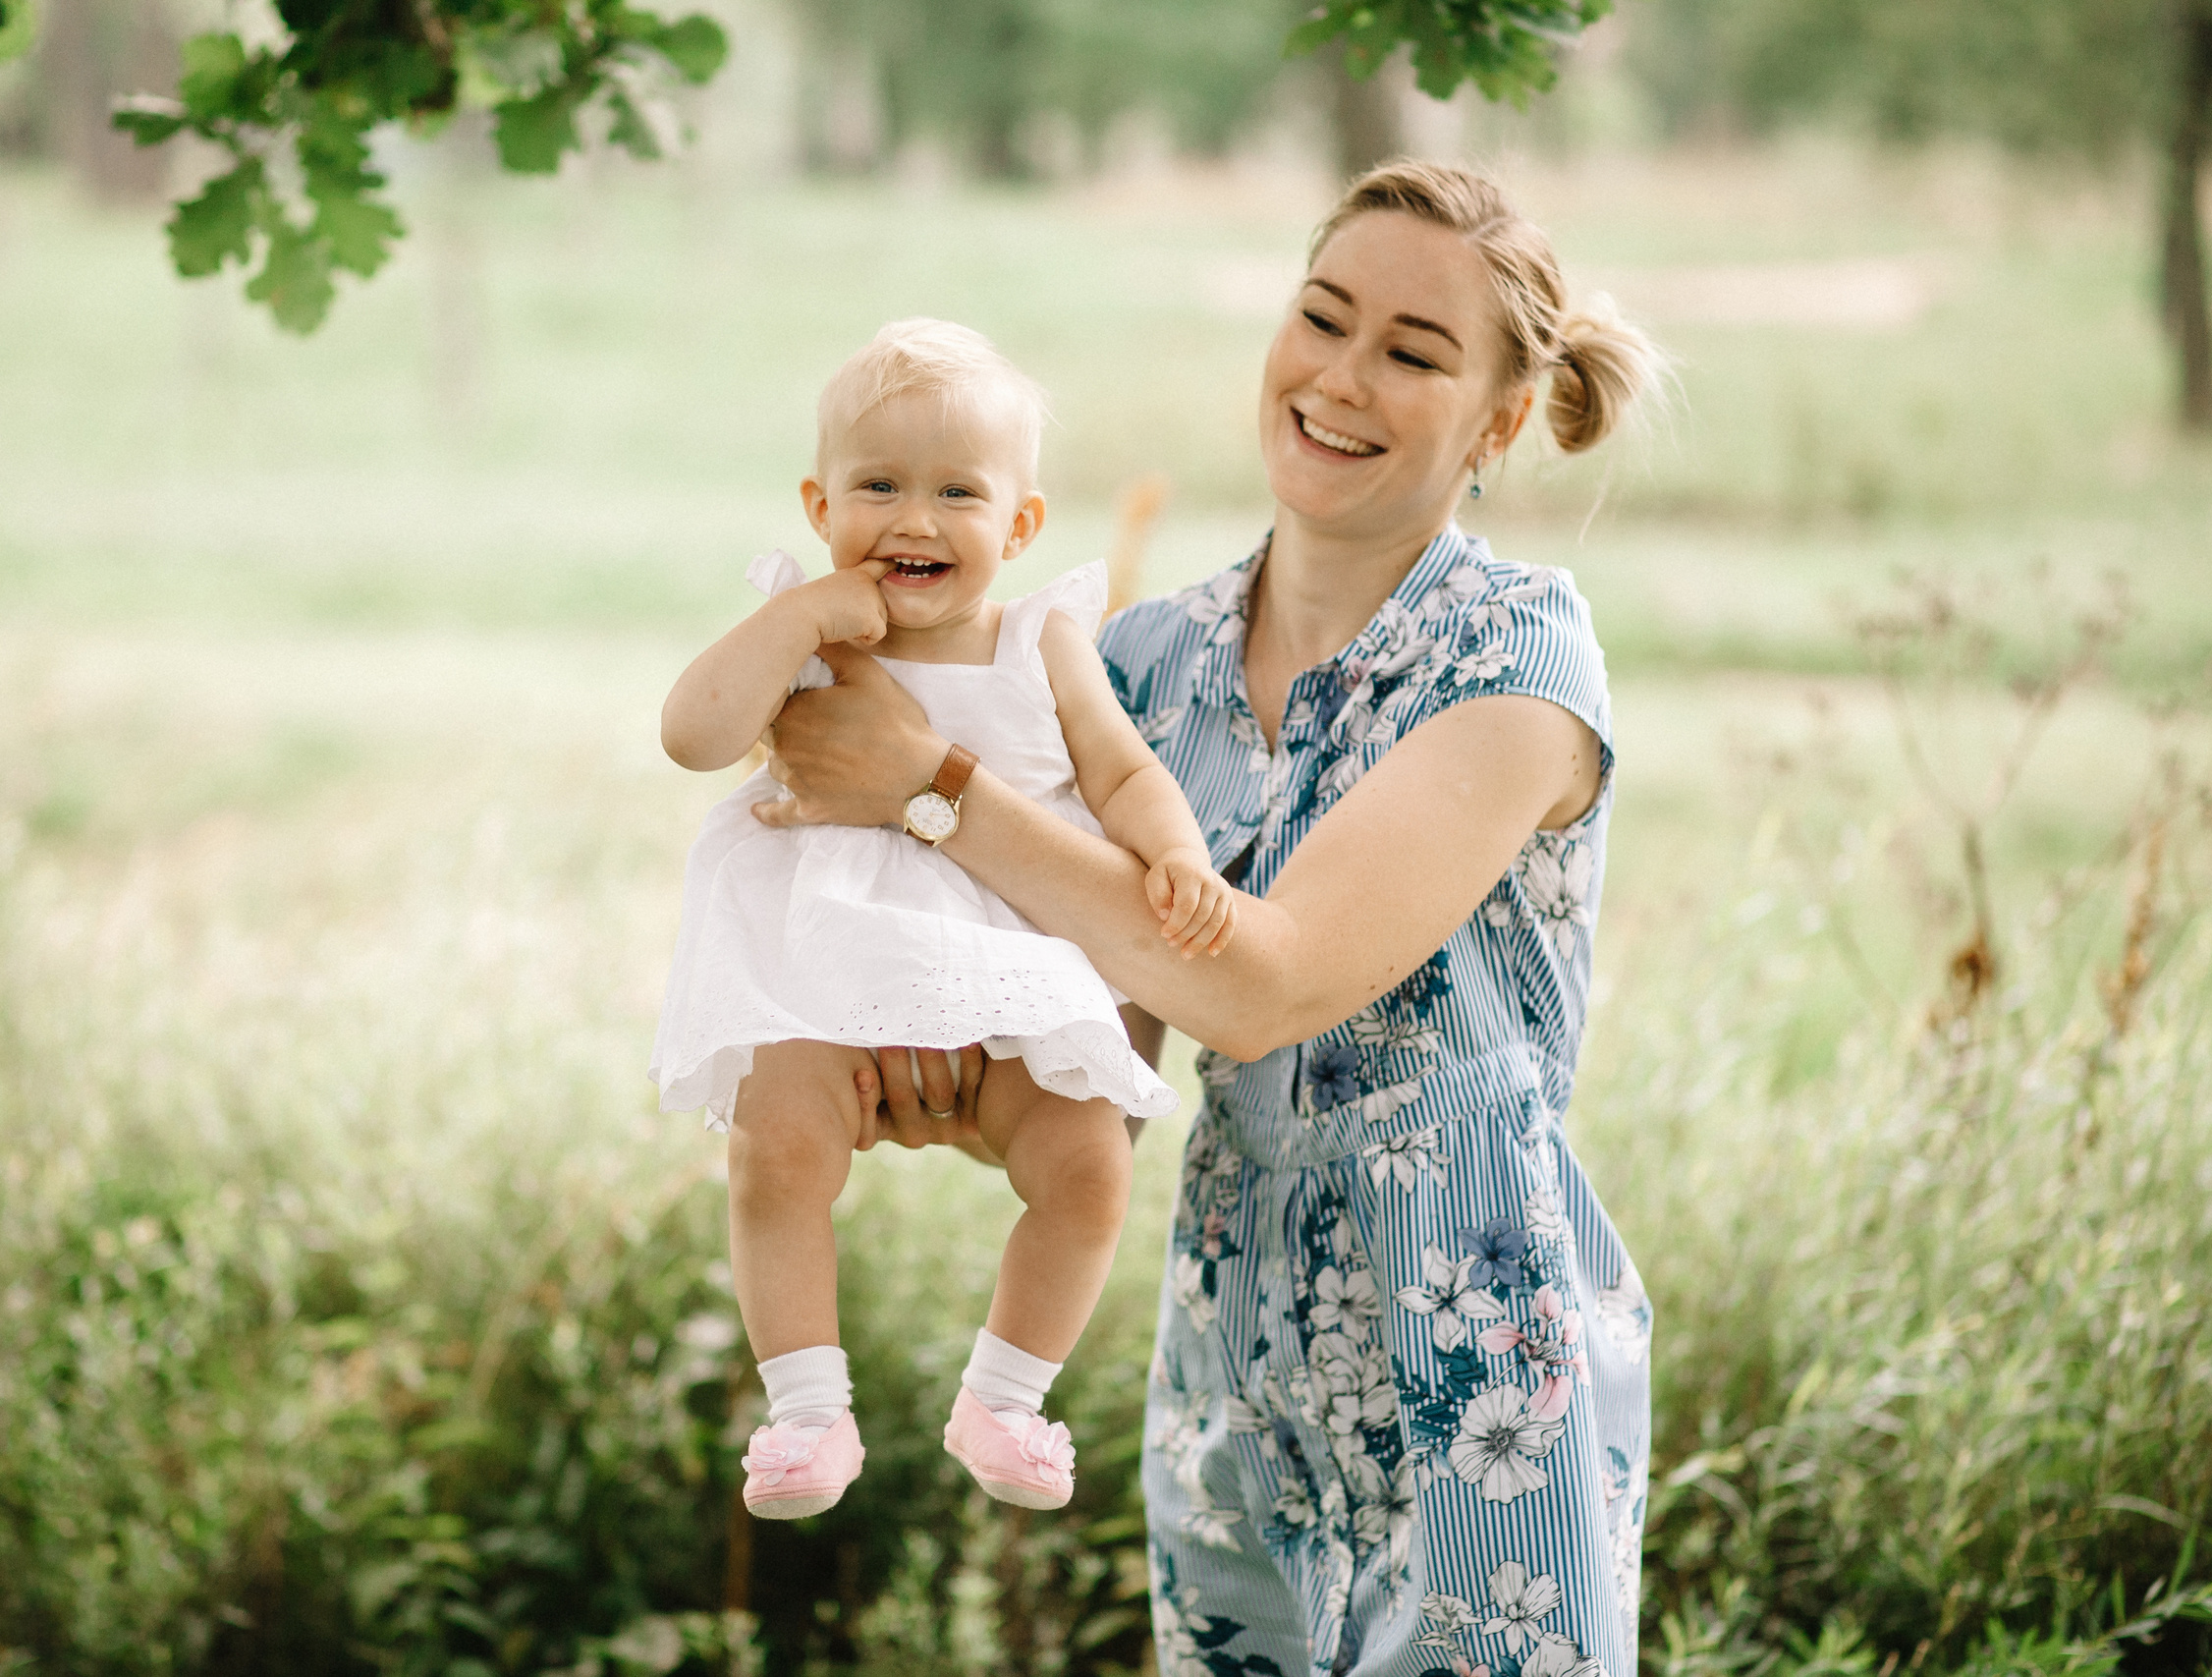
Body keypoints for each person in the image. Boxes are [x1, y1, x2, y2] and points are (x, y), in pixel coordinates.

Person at [753, 164, 1663, 1675]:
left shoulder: (1517, 656)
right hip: (1233, 1377)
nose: (1341, 376)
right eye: (1324, 316)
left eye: (1412, 352)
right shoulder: (1148, 658)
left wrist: (929, 784)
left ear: (1499, 422)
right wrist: (927, 1077)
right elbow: (1106, 1053)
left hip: (1480, 1379)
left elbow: (1262, 983)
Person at [651, 318, 1239, 1523]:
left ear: (1018, 527)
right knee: (774, 1148)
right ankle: (806, 1412)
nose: (913, 520)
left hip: (1006, 971)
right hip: (823, 971)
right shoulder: (798, 635)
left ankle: (1005, 1398)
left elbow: (1123, 772)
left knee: (1088, 1163)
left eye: (957, 493)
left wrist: (1176, 851)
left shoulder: (1042, 640)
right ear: (820, 506)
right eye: (878, 487)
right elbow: (692, 737)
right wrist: (796, 622)